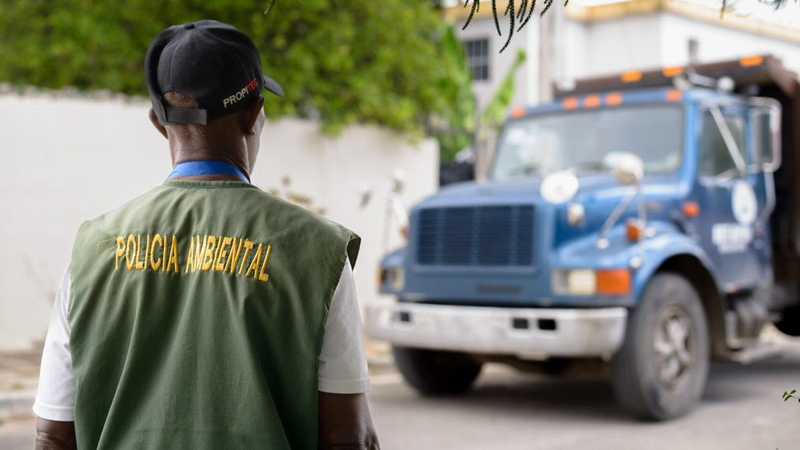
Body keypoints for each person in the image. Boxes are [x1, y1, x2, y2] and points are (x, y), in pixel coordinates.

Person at [33, 20, 379, 450]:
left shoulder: (91, 251)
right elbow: (347, 436)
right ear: (253, 115)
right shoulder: (319, 253)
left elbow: (53, 435)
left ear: (159, 123)